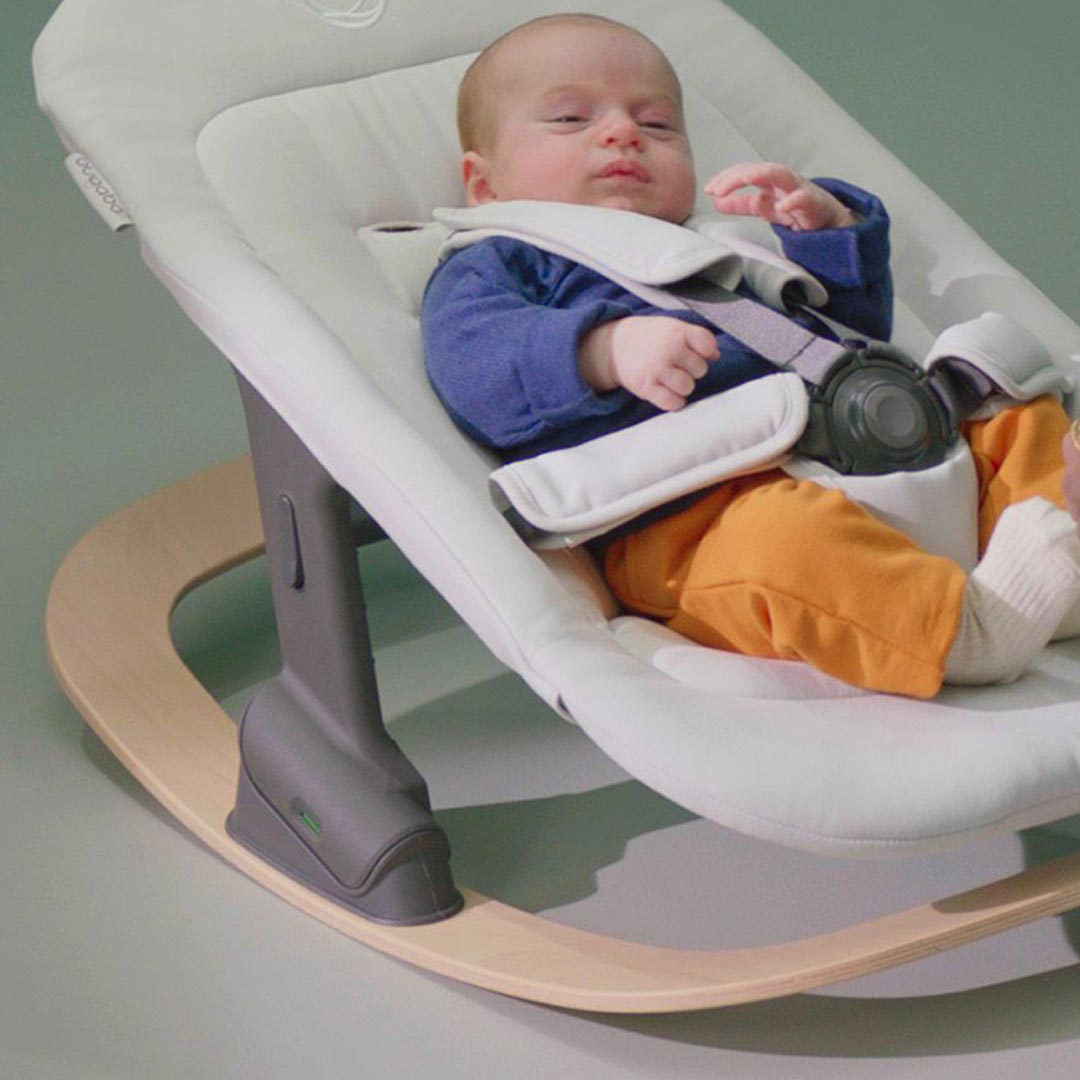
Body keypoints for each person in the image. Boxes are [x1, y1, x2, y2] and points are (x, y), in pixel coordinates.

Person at [422, 12, 1080, 698]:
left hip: (862, 445)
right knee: (784, 546)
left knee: (1014, 411)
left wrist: (826, 234)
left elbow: (851, 340)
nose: (623, 133)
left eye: (657, 124)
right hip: (694, 517)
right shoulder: (497, 261)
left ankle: (1063, 555)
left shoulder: (722, 244)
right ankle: (970, 634)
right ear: (484, 185)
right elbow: (474, 369)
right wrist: (600, 350)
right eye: (569, 119)